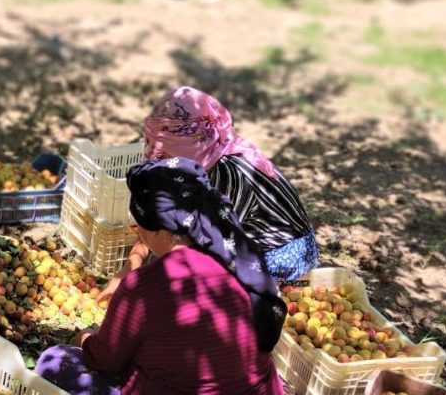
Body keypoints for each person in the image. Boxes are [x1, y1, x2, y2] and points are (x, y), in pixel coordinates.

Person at [35, 157, 289, 395]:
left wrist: (85, 337)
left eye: (137, 224)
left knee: (55, 361)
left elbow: (105, 360)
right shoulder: (234, 257)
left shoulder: (144, 287)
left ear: (154, 229)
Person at [100, 85, 318, 299]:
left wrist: (148, 283)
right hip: (240, 237)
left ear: (190, 146)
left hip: (281, 257)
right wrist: (132, 265)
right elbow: (159, 213)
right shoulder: (201, 157)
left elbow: (214, 243)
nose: (159, 158)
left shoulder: (229, 174)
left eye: (166, 153)